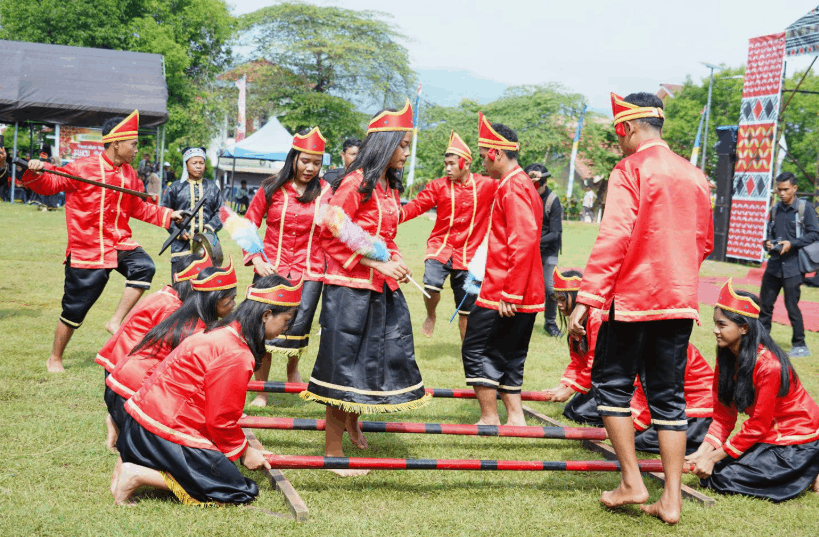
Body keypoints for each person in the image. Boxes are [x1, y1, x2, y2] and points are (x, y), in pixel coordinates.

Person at [567, 92, 713, 525]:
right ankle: (671, 500)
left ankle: (632, 481)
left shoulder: (629, 170)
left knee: (611, 388)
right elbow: (703, 242)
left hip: (630, 301)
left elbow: (614, 237)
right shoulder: (694, 174)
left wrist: (588, 297)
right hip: (680, 300)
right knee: (670, 400)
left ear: (626, 128)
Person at [301, 101, 429, 476]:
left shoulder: (389, 185)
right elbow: (330, 230)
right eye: (403, 145)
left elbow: (384, 236)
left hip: (379, 289)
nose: (407, 152)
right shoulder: (357, 181)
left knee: (364, 365)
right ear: (386, 144)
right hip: (349, 290)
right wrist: (376, 262)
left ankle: (352, 424)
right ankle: (333, 452)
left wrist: (397, 261)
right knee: (341, 369)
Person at [112, 274, 300, 506]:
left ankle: (132, 461)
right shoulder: (237, 353)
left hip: (138, 426)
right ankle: (137, 474)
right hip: (159, 430)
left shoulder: (219, 331)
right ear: (266, 315)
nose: (286, 329)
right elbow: (220, 419)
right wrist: (244, 452)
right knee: (234, 491)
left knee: (219, 468)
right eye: (286, 321)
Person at [22, 111, 186, 373]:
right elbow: (48, 184)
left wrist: (169, 216)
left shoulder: (130, 174)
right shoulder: (82, 168)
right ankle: (55, 357)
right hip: (87, 250)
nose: (136, 149)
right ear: (116, 143)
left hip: (118, 244)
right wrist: (36, 171)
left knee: (144, 266)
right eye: (133, 143)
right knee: (75, 311)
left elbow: (140, 208)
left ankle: (116, 320)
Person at [547, 268, 713, 455]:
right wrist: (566, 386)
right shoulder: (630, 337)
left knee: (637, 440)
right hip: (659, 403)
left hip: (693, 410)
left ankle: (697, 442)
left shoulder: (666, 346)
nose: (559, 305)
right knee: (576, 411)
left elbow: (657, 395)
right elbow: (580, 363)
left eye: (563, 299)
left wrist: (632, 425)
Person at [107, 261, 237, 496]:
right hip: (135, 392)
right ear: (215, 301)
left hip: (123, 386)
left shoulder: (183, 312)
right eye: (230, 301)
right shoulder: (196, 331)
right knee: (202, 472)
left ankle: (125, 464)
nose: (234, 307)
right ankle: (134, 471)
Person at [687, 280, 819, 502]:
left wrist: (713, 458)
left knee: (722, 478)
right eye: (715, 324)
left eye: (722, 325)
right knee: (712, 474)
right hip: (768, 435)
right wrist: (703, 453)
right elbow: (722, 417)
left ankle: (811, 464)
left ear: (744, 328)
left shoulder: (770, 365)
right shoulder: (727, 357)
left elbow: (757, 425)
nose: (715, 330)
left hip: (795, 437)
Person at [461, 112, 545, 427]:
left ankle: (489, 416)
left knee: (477, 349)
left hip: (504, 289)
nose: (482, 162)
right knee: (509, 354)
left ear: (495, 153)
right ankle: (516, 417)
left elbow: (522, 241)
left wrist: (510, 291)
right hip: (521, 287)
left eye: (483, 156)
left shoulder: (513, 187)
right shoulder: (521, 184)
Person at [243, 127, 331, 406]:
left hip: (309, 271)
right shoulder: (271, 187)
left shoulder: (326, 191)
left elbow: (335, 229)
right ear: (293, 158)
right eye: (305, 161)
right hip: (271, 270)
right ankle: (261, 391)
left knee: (299, 326)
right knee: (264, 329)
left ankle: (293, 371)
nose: (310, 168)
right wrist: (256, 258)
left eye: (316, 163)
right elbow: (248, 224)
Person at [96, 251, 209, 450]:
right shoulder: (172, 308)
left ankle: (116, 420)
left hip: (118, 364)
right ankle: (121, 422)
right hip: (128, 372)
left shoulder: (166, 294)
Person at [399, 131, 497, 339]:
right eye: (446, 164)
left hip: (470, 254)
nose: (448, 168)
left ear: (466, 163)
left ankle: (467, 350)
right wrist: (394, 216)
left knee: (466, 309)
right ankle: (431, 315)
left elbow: (509, 192)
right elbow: (417, 205)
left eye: (452, 164)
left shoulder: (487, 185)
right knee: (430, 285)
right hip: (440, 248)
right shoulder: (438, 186)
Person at [760, 172, 819, 358]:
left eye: (786, 189)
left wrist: (792, 243)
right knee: (765, 305)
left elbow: (815, 234)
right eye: (779, 189)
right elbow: (770, 233)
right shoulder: (776, 209)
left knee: (791, 306)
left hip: (794, 266)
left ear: (795, 188)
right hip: (774, 264)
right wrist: (767, 243)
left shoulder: (804, 208)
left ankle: (800, 344)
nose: (782, 193)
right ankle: (761, 341)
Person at [161, 146, 223, 274]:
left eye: (201, 163)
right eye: (194, 163)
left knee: (206, 287)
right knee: (181, 288)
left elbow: (221, 211)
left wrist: (210, 227)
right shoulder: (175, 188)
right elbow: (165, 213)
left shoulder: (212, 188)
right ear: (186, 165)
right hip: (181, 248)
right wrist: (177, 232)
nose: (198, 166)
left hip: (207, 247)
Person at [526, 163, 562, 336]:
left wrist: (534, 242)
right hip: (526, 249)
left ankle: (550, 323)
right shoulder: (524, 197)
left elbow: (555, 234)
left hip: (548, 249)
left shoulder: (552, 201)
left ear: (544, 183)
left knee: (550, 288)